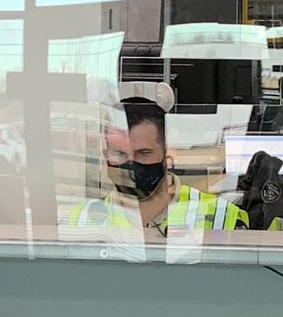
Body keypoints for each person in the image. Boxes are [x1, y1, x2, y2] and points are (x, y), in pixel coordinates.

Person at [68, 96, 246, 239]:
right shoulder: (81, 220)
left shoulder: (220, 217)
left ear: (167, 155)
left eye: (144, 153)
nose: (130, 165)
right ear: (106, 156)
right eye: (119, 154)